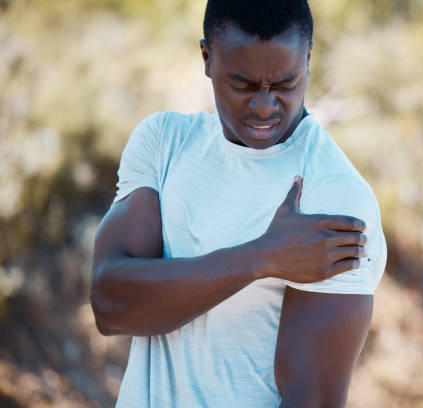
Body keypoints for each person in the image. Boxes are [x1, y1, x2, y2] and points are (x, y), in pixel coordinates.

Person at [90, 0, 387, 406]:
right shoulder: (164, 142)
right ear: (207, 58)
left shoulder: (333, 197)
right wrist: (259, 258)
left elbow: (311, 399)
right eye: (243, 85)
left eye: (285, 84)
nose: (265, 106)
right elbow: (110, 305)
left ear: (309, 58)